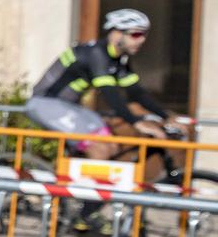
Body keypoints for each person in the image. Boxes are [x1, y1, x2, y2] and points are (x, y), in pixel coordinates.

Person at [27, 9, 171, 161]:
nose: (142, 40)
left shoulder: (119, 59)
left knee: (112, 146)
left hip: (71, 106)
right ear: (116, 34)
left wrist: (167, 117)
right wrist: (136, 122)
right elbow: (110, 94)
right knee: (99, 148)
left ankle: (80, 172)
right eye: (136, 34)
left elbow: (136, 93)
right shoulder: (96, 54)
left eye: (144, 35)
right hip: (45, 104)